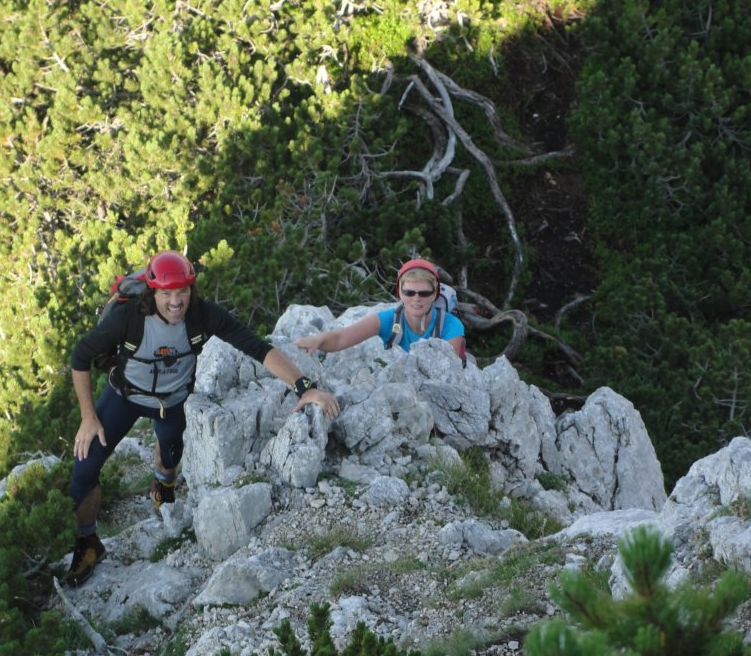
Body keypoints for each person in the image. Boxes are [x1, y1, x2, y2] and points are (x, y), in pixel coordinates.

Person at [65, 250, 339, 587]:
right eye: (166, 293)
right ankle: (88, 541)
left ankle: (163, 489)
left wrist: (305, 388)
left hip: (173, 402)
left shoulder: (201, 315)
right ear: (152, 292)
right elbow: (80, 356)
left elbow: (257, 348)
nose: (175, 301)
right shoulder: (129, 318)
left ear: (191, 289)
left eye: (182, 291)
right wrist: (88, 417)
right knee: (84, 469)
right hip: (124, 396)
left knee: (169, 457)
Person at [294, 258, 466, 359]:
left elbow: (447, 367)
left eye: (424, 293)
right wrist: (317, 340)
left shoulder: (450, 325)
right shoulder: (388, 320)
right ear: (399, 293)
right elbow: (341, 338)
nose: (416, 298)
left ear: (435, 294)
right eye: (409, 292)